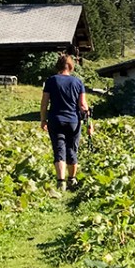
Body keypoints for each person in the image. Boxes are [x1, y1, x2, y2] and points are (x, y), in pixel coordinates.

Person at [39, 52, 90, 190]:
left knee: (59, 149)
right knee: (72, 149)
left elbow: (44, 103)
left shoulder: (51, 81)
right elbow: (83, 105)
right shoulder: (77, 82)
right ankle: (72, 180)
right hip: (73, 120)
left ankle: (60, 182)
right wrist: (89, 122)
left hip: (55, 119)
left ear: (58, 66)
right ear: (71, 66)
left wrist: (43, 119)